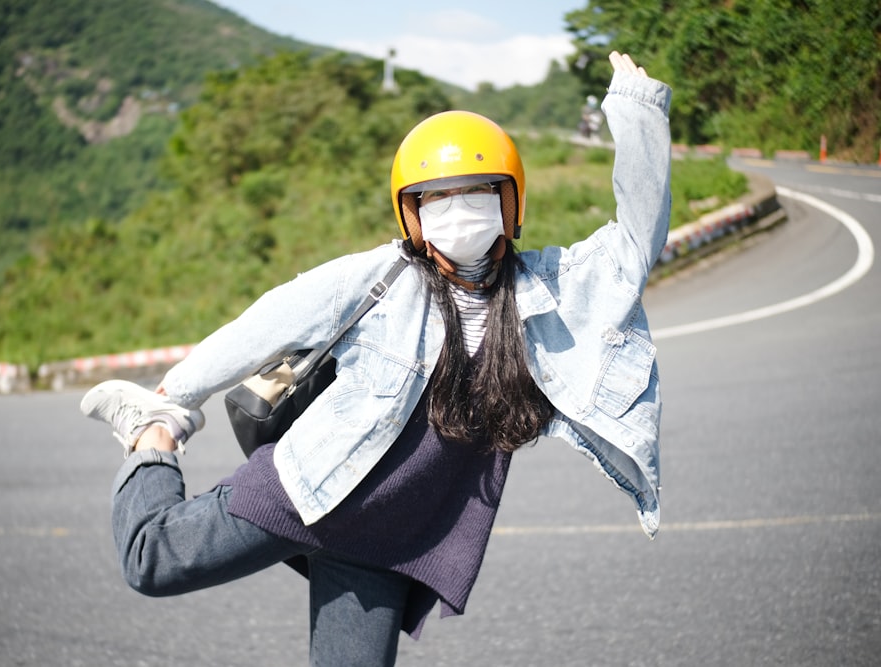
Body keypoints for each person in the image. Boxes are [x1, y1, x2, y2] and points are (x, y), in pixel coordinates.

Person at [81, 51, 671, 666]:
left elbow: (634, 245)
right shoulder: (384, 279)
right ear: (411, 213)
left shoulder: (547, 292)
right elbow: (268, 322)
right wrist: (172, 401)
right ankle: (147, 435)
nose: (459, 211)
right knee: (151, 560)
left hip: (389, 537)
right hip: (311, 490)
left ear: (512, 202)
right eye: (437, 199)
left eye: (478, 192)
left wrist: (638, 116)